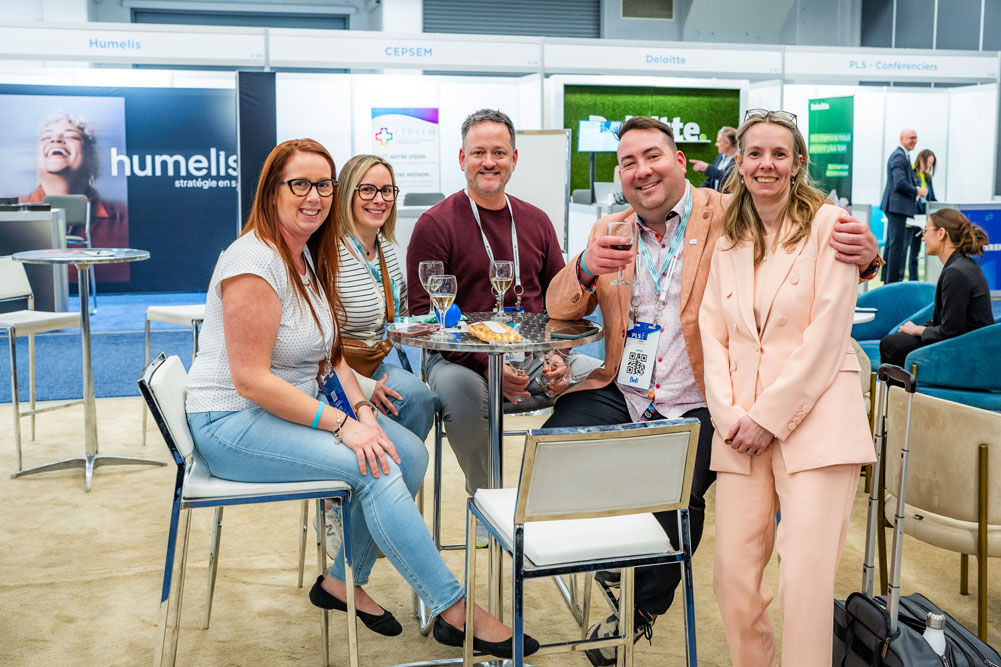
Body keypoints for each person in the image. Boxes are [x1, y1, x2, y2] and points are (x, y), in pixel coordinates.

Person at [543, 115, 880, 667]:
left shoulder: (727, 214)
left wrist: (869, 255)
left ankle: (640, 603)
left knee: (684, 498)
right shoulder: (612, 228)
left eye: (653, 156)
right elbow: (559, 306)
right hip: (638, 388)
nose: (642, 171)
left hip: (704, 398)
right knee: (556, 455)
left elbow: (819, 259)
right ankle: (610, 559)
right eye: (629, 162)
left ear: (681, 161)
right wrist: (582, 267)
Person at [183, 138, 537, 658]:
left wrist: (364, 411)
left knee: (408, 453)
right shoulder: (253, 261)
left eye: (323, 185)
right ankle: (454, 609)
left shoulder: (305, 254)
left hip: (284, 407)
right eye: (300, 185)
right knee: (377, 465)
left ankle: (341, 581)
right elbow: (251, 381)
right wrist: (343, 425)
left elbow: (331, 357)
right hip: (231, 422)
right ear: (272, 192)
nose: (314, 197)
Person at [699, 109, 876, 667]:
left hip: (817, 424)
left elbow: (828, 334)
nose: (766, 164)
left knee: (803, 583)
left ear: (798, 163)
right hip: (739, 428)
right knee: (732, 578)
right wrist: (729, 415)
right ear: (738, 162)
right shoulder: (728, 237)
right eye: (755, 153)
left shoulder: (831, 225)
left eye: (779, 154)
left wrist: (768, 419)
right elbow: (712, 331)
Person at [406, 108, 598, 497]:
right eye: (479, 153)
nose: (489, 162)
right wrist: (488, 366)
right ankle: (486, 499)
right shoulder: (435, 224)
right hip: (461, 360)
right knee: (460, 392)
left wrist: (557, 353)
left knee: (602, 380)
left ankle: (554, 490)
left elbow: (560, 301)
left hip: (535, 354)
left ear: (514, 158)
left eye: (499, 153)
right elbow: (424, 314)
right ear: (462, 158)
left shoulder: (537, 221)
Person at [334, 154, 436, 442]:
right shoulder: (328, 252)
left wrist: (438, 320)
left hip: (372, 362)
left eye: (387, 190)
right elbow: (316, 343)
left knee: (421, 399)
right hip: (332, 369)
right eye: (367, 190)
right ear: (347, 193)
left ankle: (397, 466)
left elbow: (399, 317)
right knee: (410, 399)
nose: (379, 199)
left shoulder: (385, 248)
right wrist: (365, 387)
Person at [19, 111, 129, 282]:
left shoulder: (121, 217)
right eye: (47, 137)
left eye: (71, 136)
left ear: (91, 156)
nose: (56, 140)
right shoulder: (17, 211)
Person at [880, 208, 993, 367]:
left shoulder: (956, 273)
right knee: (896, 340)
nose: (923, 238)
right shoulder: (962, 266)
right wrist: (918, 328)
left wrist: (917, 330)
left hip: (966, 350)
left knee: (891, 345)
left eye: (925, 231)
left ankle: (902, 383)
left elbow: (951, 331)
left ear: (941, 233)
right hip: (970, 342)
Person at [880, 128, 928, 284]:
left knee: (892, 246)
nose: (914, 141)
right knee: (896, 247)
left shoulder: (903, 156)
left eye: (916, 138)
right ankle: (892, 284)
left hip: (896, 207)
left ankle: (888, 282)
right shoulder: (899, 156)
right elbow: (899, 183)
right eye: (911, 138)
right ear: (902, 138)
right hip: (896, 208)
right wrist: (917, 190)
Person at [906, 149, 938, 281]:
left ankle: (915, 280)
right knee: (910, 252)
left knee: (917, 251)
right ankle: (911, 280)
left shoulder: (928, 178)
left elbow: (932, 198)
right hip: (911, 218)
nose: (930, 166)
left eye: (932, 163)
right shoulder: (910, 173)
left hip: (924, 219)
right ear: (921, 159)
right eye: (929, 162)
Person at [689, 126, 737, 192]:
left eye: (718, 141)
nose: (716, 144)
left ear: (727, 143)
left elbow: (728, 178)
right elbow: (711, 180)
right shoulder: (720, 157)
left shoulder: (739, 160)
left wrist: (707, 167)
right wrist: (697, 191)